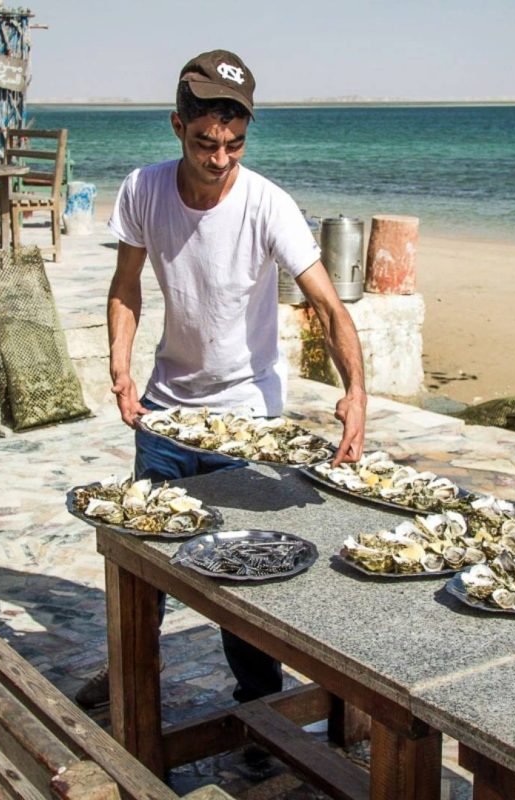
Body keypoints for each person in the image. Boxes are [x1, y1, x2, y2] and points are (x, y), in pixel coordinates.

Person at [75, 49, 367, 709]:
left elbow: (328, 305)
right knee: (141, 557)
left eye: (234, 145)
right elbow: (126, 287)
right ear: (177, 126)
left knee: (244, 570)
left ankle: (259, 704)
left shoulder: (269, 205)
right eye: (206, 143)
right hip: (165, 411)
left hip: (245, 418)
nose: (220, 158)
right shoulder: (143, 189)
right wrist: (120, 367)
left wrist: (356, 392)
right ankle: (128, 678)